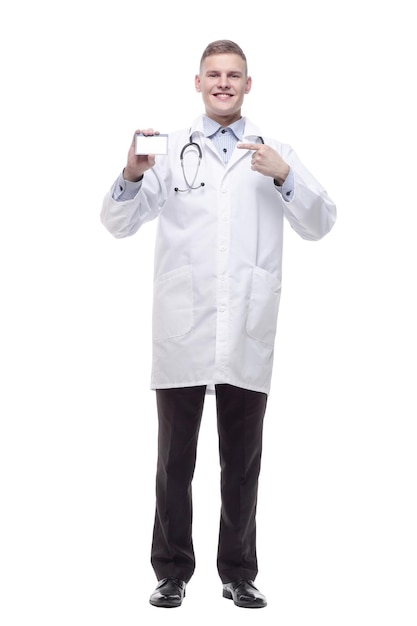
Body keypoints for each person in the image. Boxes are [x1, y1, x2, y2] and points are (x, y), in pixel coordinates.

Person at [100, 39, 336, 609]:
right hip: (184, 323)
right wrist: (130, 175)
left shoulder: (275, 150)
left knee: (242, 461)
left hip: (245, 329)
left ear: (248, 85)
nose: (224, 83)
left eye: (234, 75)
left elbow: (322, 221)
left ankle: (238, 572)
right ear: (198, 83)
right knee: (174, 460)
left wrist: (284, 178)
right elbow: (116, 223)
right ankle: (172, 571)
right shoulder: (168, 148)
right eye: (214, 75)